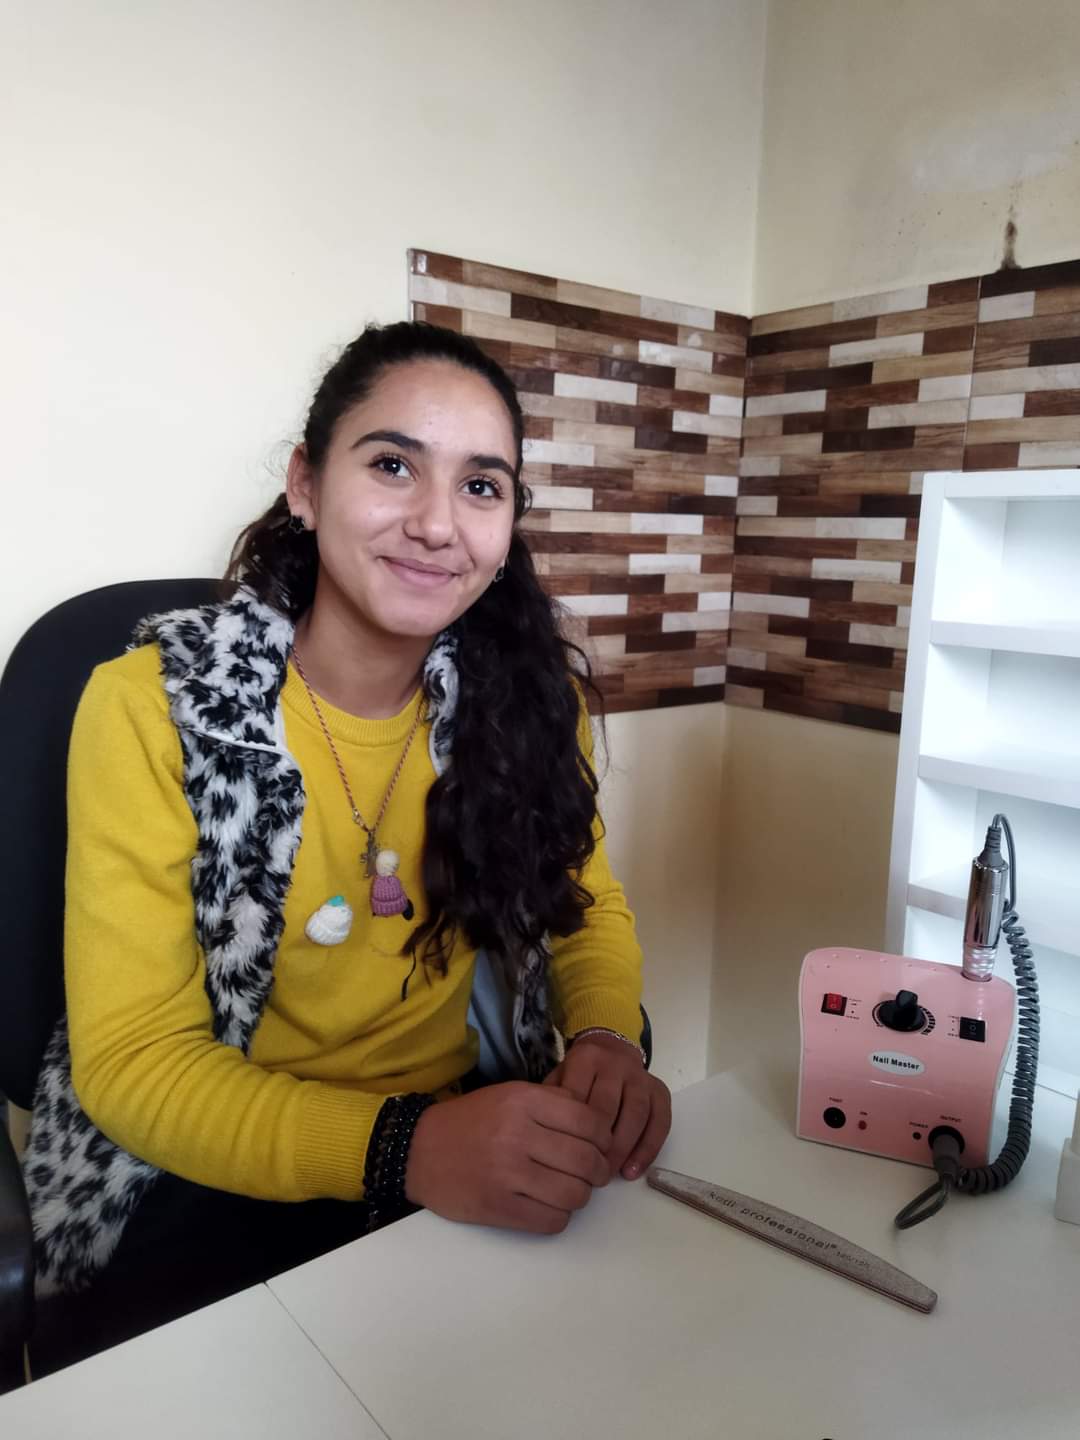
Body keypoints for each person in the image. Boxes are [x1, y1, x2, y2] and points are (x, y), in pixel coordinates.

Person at [24, 321, 671, 1373]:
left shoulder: (524, 703)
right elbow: (135, 1063)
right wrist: (406, 1148)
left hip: (457, 1149)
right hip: (209, 1174)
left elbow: (583, 906)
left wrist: (605, 1038)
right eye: (392, 466)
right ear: (306, 486)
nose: (436, 524)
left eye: (481, 486)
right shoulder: (153, 706)